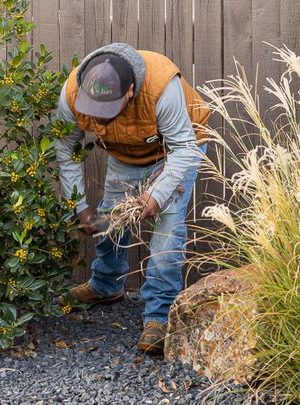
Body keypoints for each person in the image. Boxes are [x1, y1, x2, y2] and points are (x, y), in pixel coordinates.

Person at [55, 42, 209, 353]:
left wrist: (156, 195)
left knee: (167, 231)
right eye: (93, 113)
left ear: (128, 93)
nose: (98, 123)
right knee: (110, 218)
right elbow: (66, 150)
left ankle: (159, 315)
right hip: (125, 152)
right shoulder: (70, 93)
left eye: (106, 113)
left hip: (176, 150)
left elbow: (184, 150)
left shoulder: (162, 87)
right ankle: (106, 286)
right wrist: (79, 206)